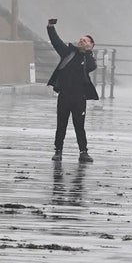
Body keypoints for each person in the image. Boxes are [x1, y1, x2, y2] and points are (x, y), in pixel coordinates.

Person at [45, 18, 99, 163]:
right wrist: (50, 27)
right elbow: (56, 41)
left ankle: (83, 152)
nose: (82, 41)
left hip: (79, 97)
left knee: (79, 125)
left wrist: (87, 52)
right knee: (61, 124)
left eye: (86, 41)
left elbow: (92, 67)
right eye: (81, 39)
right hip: (64, 95)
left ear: (91, 45)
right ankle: (58, 151)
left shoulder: (88, 59)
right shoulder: (68, 52)